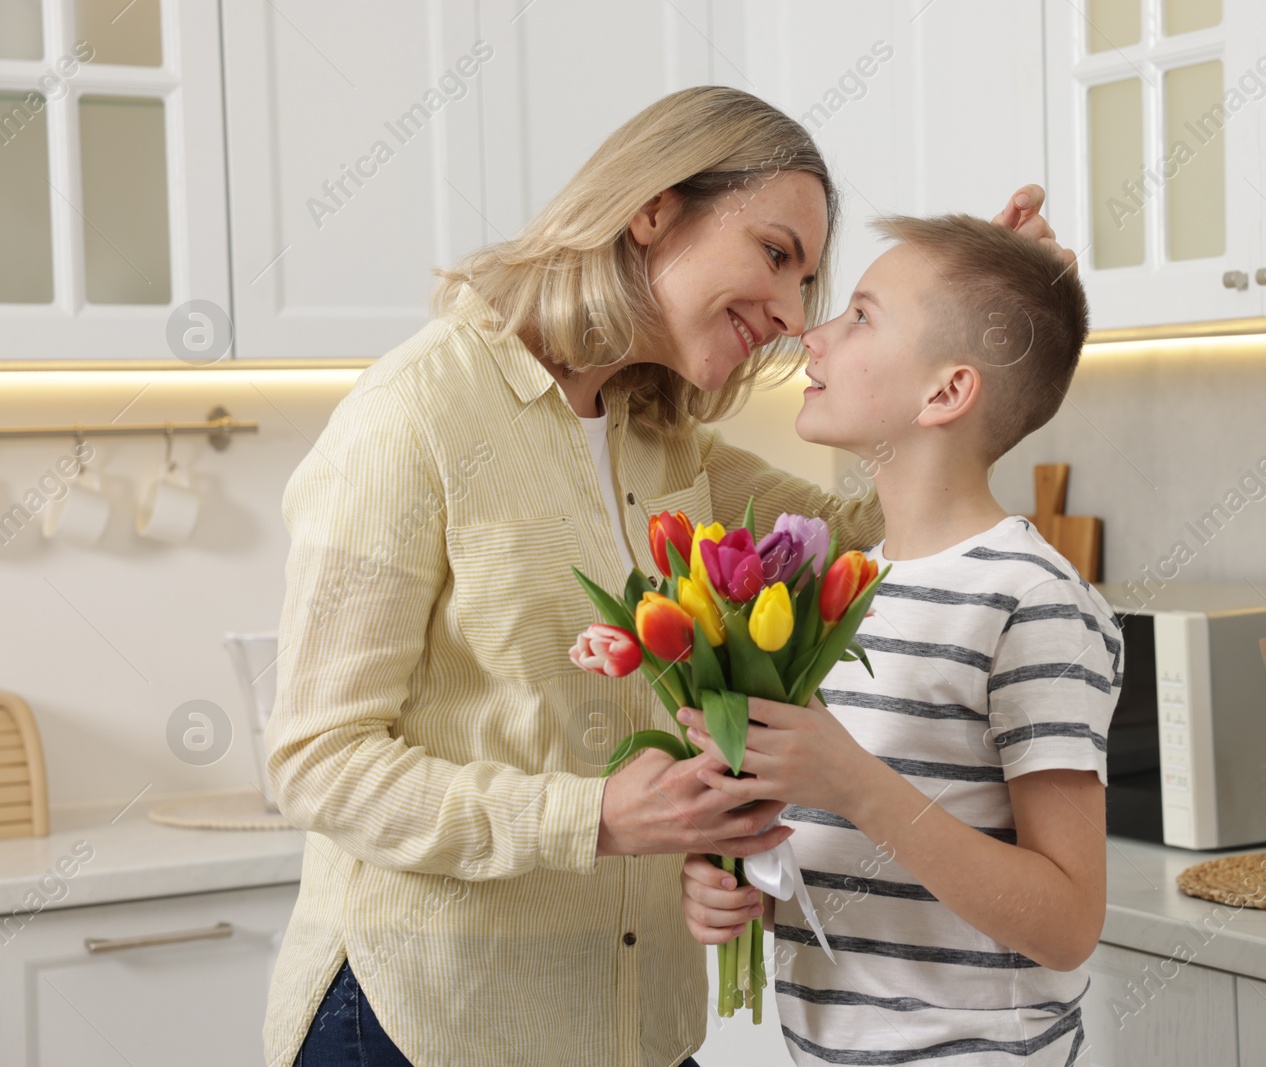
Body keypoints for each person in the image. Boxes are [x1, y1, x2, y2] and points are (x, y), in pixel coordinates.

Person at [263, 83, 1073, 1067]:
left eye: (811, 285)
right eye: (776, 254)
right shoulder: (411, 418)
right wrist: (595, 815)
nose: (786, 314)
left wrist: (967, 326)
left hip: (631, 1026)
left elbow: (877, 530)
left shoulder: (663, 440)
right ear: (653, 209)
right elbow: (318, 760)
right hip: (425, 1022)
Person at [678, 213, 1119, 1066]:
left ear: (946, 393)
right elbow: (872, 866)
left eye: (861, 317)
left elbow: (1067, 924)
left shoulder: (1032, 601)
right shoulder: (844, 589)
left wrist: (854, 783)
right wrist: (744, 888)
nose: (812, 332)